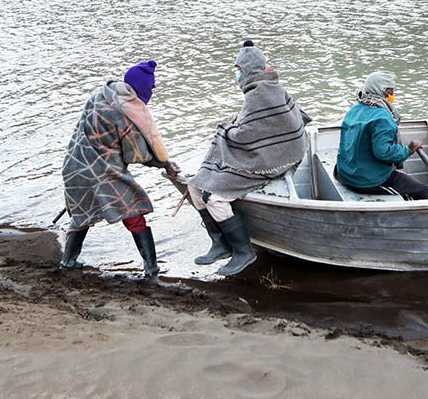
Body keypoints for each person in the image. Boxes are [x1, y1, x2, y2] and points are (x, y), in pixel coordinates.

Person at [188, 41, 311, 276]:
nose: (236, 75)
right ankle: (220, 244)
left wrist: (225, 130)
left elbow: (244, 136)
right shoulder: (270, 86)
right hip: (275, 152)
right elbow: (287, 119)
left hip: (277, 159)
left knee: (215, 199)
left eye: (238, 70)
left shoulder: (259, 94)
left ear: (247, 70)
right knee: (194, 186)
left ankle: (244, 252)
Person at [60, 60, 180, 276]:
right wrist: (164, 163)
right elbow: (136, 153)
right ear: (140, 87)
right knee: (133, 210)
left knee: (81, 215)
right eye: (151, 87)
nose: (151, 92)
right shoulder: (125, 112)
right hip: (103, 172)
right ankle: (151, 268)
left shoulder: (100, 95)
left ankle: (68, 261)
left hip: (74, 166)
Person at [335, 72, 428, 201]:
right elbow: (383, 152)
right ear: (383, 92)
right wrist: (408, 150)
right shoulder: (382, 117)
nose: (392, 95)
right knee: (422, 191)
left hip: (345, 173)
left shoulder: (356, 108)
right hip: (366, 180)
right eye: (391, 91)